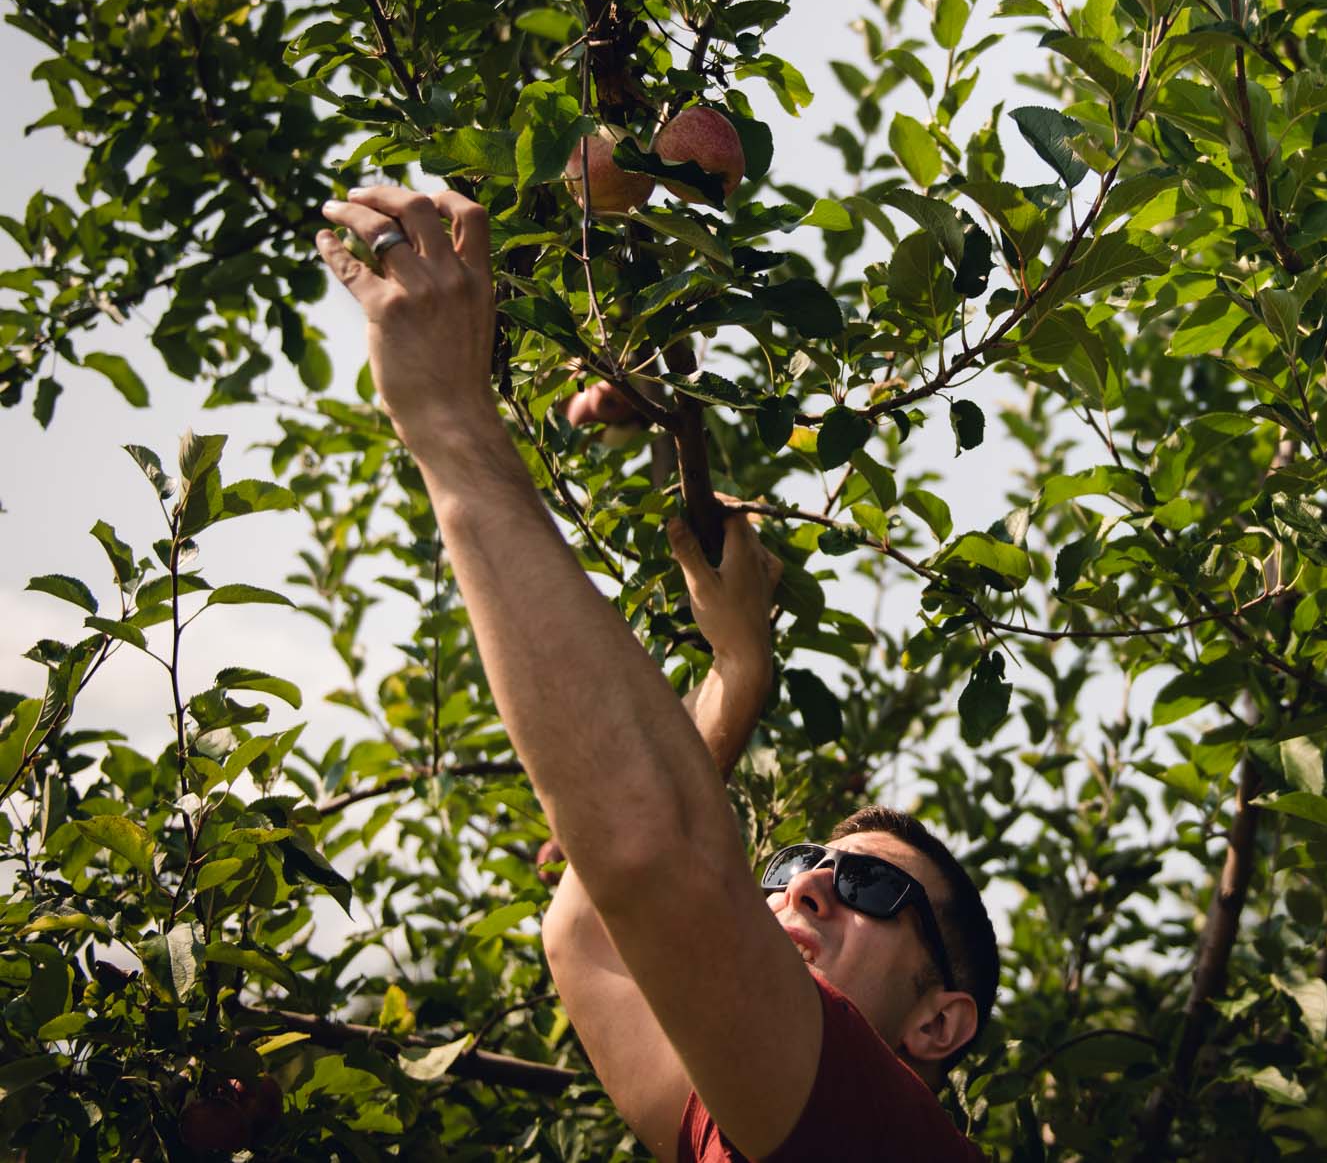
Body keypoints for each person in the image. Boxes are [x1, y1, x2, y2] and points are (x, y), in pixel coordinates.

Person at [316, 186, 998, 1160]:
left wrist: (454, 423)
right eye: (797, 866)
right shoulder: (724, 1125)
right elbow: (587, 930)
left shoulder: (890, 1133)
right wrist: (738, 670)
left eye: (871, 892)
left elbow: (654, 860)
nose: (805, 890)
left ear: (937, 1025)